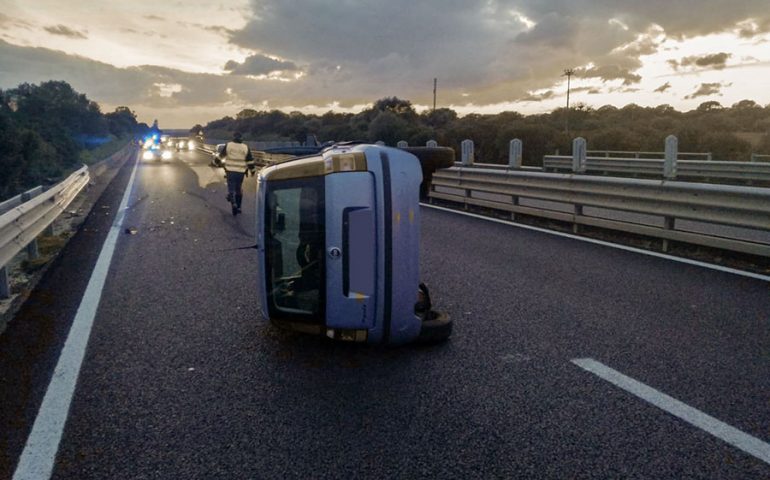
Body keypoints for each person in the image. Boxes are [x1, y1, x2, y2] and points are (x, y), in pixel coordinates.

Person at [218, 132, 255, 215]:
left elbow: (221, 156)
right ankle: (238, 207)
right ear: (241, 138)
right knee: (238, 189)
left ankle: (232, 200)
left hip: (230, 171)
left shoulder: (229, 145)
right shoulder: (245, 147)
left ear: (233, 137)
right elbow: (250, 160)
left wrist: (215, 163)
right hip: (240, 172)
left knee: (231, 187)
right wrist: (252, 171)